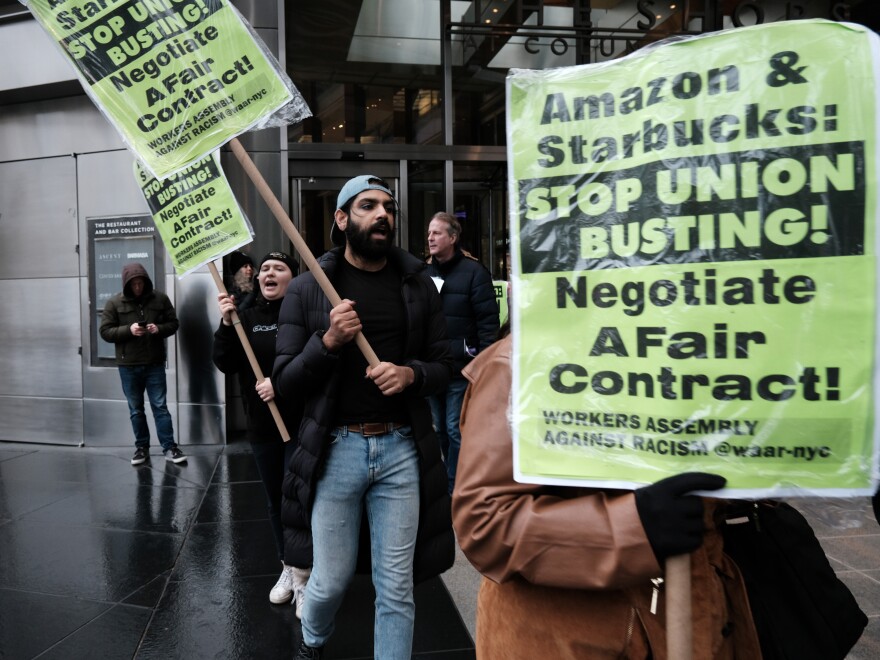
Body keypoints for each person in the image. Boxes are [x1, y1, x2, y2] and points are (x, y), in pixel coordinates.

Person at [451, 334, 763, 658]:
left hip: (703, 616)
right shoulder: (526, 356)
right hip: (567, 639)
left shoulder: (714, 347)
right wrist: (632, 528)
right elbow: (484, 523)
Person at [274, 175, 455, 660]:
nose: (382, 215)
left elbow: (446, 362)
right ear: (341, 219)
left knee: (395, 587)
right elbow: (285, 383)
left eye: (389, 208)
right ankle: (313, 641)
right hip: (336, 452)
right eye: (367, 206)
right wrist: (328, 342)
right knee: (329, 581)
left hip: (401, 451)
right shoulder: (310, 290)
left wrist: (411, 375)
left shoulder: (417, 285)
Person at [212, 251, 311, 613]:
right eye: (265, 268)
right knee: (274, 500)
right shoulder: (245, 318)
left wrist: (280, 385)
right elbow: (224, 361)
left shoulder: (302, 314)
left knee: (297, 499)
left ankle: (305, 575)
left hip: (301, 424)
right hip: (262, 425)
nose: (269, 272)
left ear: (293, 278)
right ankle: (288, 566)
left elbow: (315, 362)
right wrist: (225, 323)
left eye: (279, 268)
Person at [425, 211, 499, 493]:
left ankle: (456, 485)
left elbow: (487, 322)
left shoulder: (474, 272)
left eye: (437, 233)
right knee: (440, 429)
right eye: (429, 233)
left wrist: (484, 364)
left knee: (455, 428)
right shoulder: (424, 271)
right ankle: (450, 478)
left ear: (453, 238)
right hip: (434, 366)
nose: (430, 238)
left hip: (461, 366)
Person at [100, 262, 186, 465]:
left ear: (146, 282)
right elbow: (105, 332)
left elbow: (174, 323)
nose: (137, 287)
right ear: (127, 284)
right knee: (136, 409)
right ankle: (141, 448)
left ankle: (170, 447)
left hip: (154, 363)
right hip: (128, 365)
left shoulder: (160, 299)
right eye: (134, 284)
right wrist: (128, 330)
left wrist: (159, 329)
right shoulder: (114, 303)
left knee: (160, 407)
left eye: (140, 283)